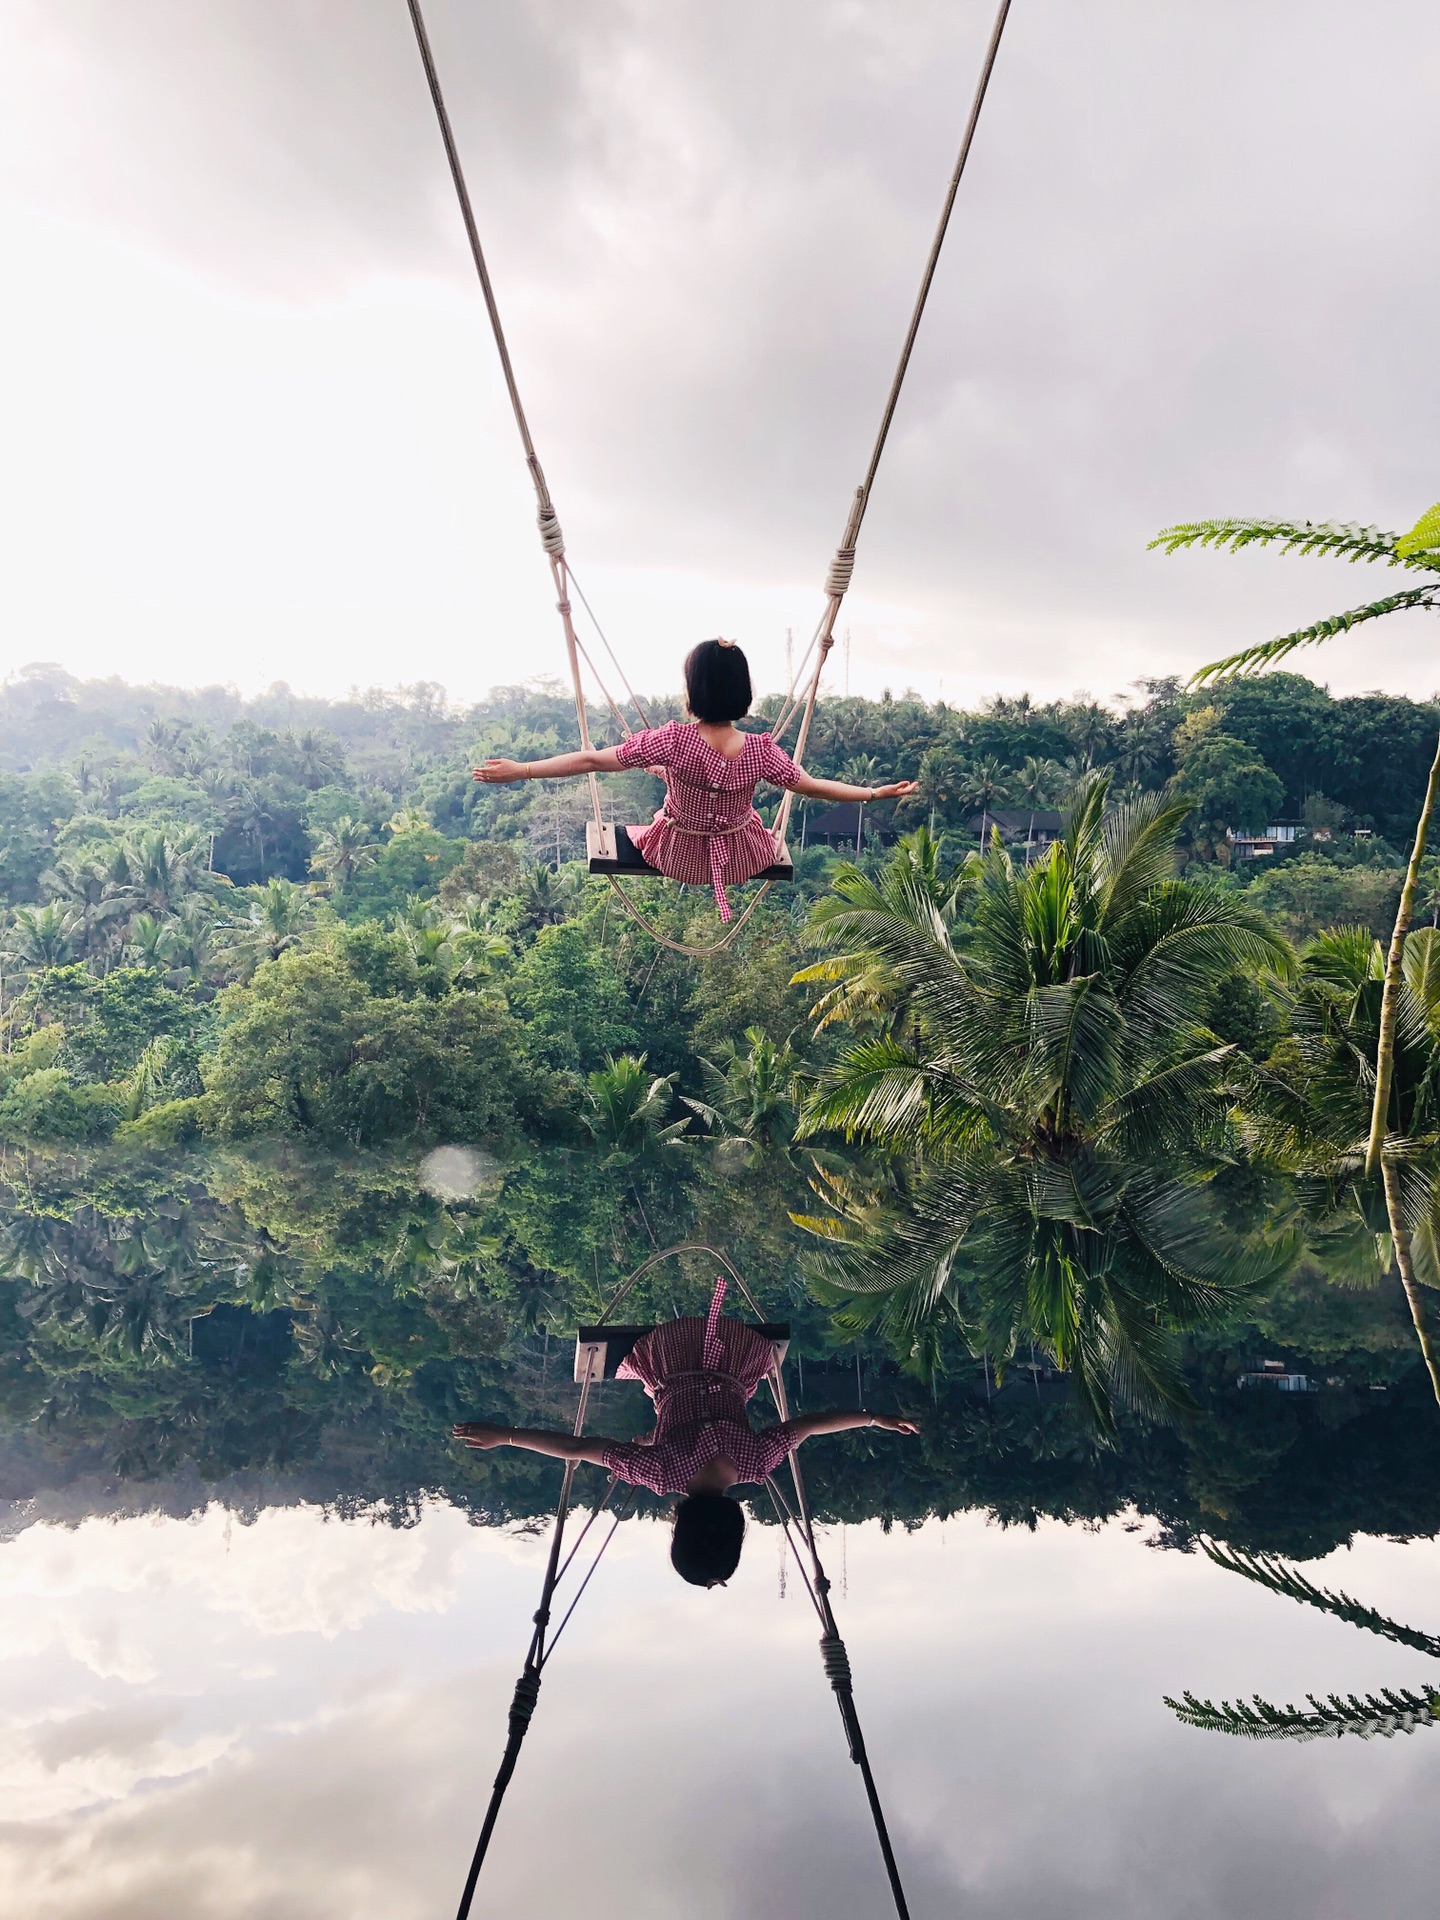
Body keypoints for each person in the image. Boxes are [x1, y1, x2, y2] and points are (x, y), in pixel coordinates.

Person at [454, 1279, 919, 1587]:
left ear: (735, 1524)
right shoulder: (658, 1472)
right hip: (668, 1358)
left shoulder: (755, 1462)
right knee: (643, 1397)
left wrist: (874, 1418)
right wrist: (506, 1436)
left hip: (734, 1355)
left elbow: (810, 1426)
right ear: (678, 1526)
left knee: (694, 1402)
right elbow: (576, 1448)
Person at [474, 638, 917, 920]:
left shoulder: (673, 741)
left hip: (677, 854)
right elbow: (813, 785)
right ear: (743, 695)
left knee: (661, 805)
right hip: (742, 856)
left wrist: (524, 770)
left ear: (692, 693)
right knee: (742, 813)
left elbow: (592, 760)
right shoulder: (761, 751)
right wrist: (873, 792)